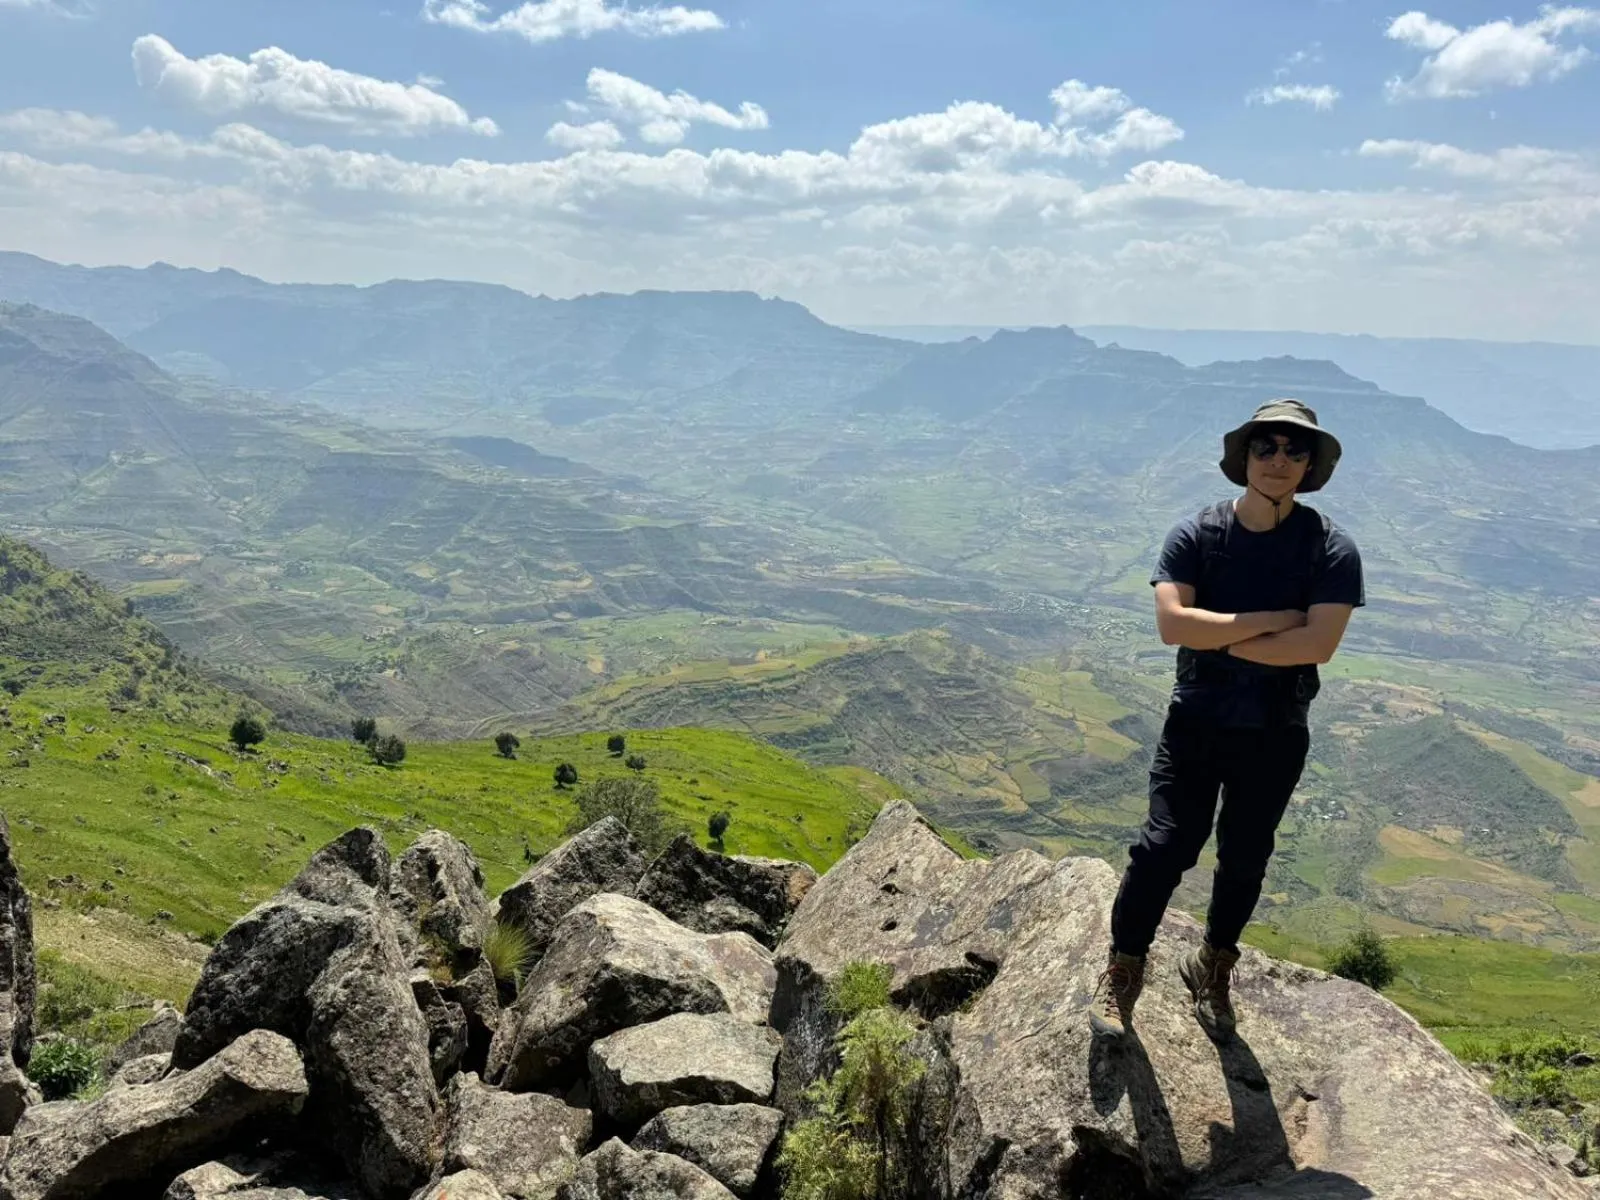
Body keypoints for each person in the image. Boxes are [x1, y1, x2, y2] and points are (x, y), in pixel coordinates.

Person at [1091, 398, 1365, 1042]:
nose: (1279, 459)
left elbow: (1317, 644)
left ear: (1310, 465)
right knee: (1164, 847)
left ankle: (1212, 966)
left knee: (1245, 856)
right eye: (1266, 446)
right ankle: (1124, 968)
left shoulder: (1331, 548)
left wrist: (1218, 634)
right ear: (1243, 457)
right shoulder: (1197, 535)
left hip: (1276, 728)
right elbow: (1172, 626)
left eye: (1295, 449)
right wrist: (1271, 622)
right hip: (1197, 721)